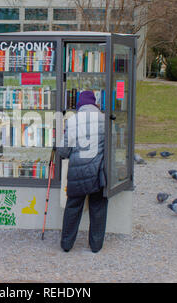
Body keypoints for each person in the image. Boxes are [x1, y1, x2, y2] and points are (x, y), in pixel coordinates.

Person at [56, 90, 107, 253]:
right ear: (94, 103)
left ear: (80, 104)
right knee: (98, 208)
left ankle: (66, 244)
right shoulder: (104, 119)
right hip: (98, 173)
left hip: (77, 174)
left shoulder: (72, 121)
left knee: (73, 208)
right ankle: (96, 246)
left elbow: (63, 152)